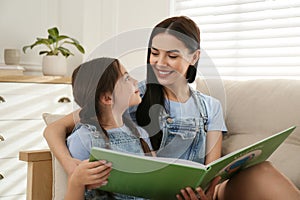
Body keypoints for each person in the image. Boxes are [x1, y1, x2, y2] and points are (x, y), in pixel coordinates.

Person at [44, 16, 300, 200]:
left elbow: (212, 168)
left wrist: (207, 189)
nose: (160, 63)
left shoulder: (209, 106)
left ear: (194, 57)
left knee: (262, 171)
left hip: (197, 194)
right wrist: (70, 166)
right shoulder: (132, 95)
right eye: (154, 53)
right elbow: (56, 128)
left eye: (172, 56)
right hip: (155, 194)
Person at [64, 57, 153, 200]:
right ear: (107, 98)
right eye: (126, 78)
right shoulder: (83, 139)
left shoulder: (140, 133)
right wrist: (76, 181)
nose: (136, 81)